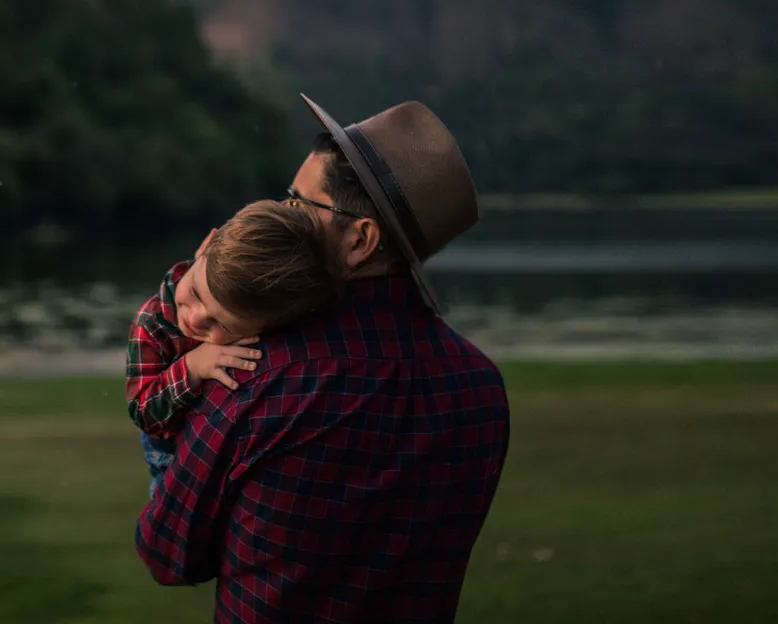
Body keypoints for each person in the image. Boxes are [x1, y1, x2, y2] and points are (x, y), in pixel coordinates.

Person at [135, 95, 511, 624]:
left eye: (297, 204)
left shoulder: (253, 377)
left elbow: (167, 553)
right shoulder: (481, 388)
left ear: (360, 240)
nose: (280, 214)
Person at [126, 199, 343, 499]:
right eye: (196, 292)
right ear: (206, 244)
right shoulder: (152, 323)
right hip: (170, 457)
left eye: (221, 325)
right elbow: (142, 411)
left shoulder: (266, 316)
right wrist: (191, 367)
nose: (194, 318)